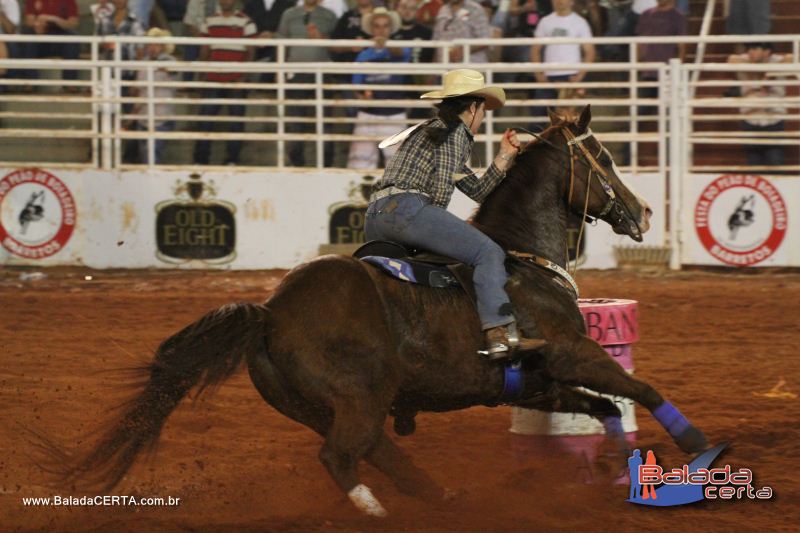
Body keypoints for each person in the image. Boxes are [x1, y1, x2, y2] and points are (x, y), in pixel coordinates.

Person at [364, 69, 548, 360]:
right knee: (488, 252)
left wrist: (503, 157)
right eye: (483, 109)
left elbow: (476, 190)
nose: (483, 116)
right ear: (472, 107)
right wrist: (444, 225)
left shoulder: (433, 129)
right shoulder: (455, 135)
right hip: (407, 210)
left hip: (376, 216)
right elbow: (437, 194)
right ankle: (499, 333)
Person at [192, 0, 257, 166]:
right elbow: (204, 50)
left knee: (236, 122)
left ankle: (233, 159)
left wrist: (244, 75)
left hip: (236, 78)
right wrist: (202, 75)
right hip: (213, 77)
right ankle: (201, 159)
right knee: (205, 121)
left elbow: (251, 51)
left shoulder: (246, 22)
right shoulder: (209, 21)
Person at [347, 7, 411, 169]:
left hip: (394, 114)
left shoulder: (402, 48)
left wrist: (386, 45)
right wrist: (361, 96)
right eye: (377, 26)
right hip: (368, 114)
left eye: (385, 26)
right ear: (372, 29)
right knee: (359, 165)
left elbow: (399, 53)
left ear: (390, 29)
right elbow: (357, 85)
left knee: (398, 169)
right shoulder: (363, 55)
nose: (381, 30)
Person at [277, 0, 337, 166]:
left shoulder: (328, 15)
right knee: (296, 121)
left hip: (322, 72)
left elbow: (337, 43)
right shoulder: (289, 14)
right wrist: (279, 69)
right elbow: (281, 42)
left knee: (325, 121)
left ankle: (327, 163)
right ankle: (297, 163)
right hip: (296, 73)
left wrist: (322, 38)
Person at [728, 43, 793, 170]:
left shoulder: (777, 60)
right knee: (753, 163)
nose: (750, 52)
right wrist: (757, 69)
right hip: (750, 119)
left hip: (774, 119)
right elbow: (731, 59)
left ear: (767, 51)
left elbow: (792, 57)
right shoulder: (744, 59)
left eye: (755, 49)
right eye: (749, 49)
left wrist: (771, 71)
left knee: (776, 162)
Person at [529, 0, 594, 125]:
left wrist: (579, 76)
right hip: (548, 76)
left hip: (571, 75)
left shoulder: (580, 22)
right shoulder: (545, 21)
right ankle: (537, 144)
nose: (559, 1)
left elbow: (590, 52)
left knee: (571, 119)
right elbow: (535, 49)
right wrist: (539, 74)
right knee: (539, 115)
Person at [132, 27, 177, 164]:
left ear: (163, 46)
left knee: (150, 154)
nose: (152, 47)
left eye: (156, 44)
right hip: (144, 116)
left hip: (161, 116)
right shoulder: (143, 63)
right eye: (150, 44)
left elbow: (173, 71)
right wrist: (134, 112)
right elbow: (139, 90)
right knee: (147, 153)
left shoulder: (169, 61)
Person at [21, 0, 81, 85]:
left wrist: (54, 19)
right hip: (40, 39)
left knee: (72, 38)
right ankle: (30, 83)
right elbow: (29, 21)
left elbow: (73, 23)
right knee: (28, 38)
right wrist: (37, 25)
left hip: (60, 39)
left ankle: (69, 83)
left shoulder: (69, 1)